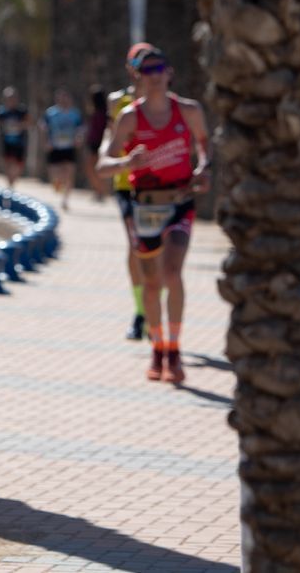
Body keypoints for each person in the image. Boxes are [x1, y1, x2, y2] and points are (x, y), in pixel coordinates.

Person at [97, 47, 211, 383]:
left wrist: (203, 169)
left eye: (160, 67)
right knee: (151, 282)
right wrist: (126, 163)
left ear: (169, 72)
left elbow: (205, 146)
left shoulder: (188, 111)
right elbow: (103, 163)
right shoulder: (130, 117)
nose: (155, 73)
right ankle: (157, 348)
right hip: (144, 206)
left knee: (173, 273)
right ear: (137, 76)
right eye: (147, 69)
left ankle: (174, 352)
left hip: (179, 203)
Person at [104, 42, 154, 340]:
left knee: (155, 250)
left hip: (160, 185)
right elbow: (110, 141)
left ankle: (153, 308)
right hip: (127, 183)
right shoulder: (117, 102)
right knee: (137, 247)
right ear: (130, 68)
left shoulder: (167, 103)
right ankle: (140, 312)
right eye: (139, 63)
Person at [40, 88, 82, 211]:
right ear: (57, 99)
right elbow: (43, 128)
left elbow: (81, 129)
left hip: (69, 147)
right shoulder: (51, 113)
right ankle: (58, 186)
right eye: (61, 97)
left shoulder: (75, 114)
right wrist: (45, 142)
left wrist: (79, 139)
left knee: (69, 173)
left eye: (66, 97)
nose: (63, 100)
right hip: (55, 147)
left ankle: (65, 200)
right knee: (55, 175)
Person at [0, 86, 30, 187]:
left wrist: (20, 125)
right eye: (8, 98)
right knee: (7, 163)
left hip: (20, 142)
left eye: (13, 98)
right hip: (6, 141)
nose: (11, 100)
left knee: (18, 165)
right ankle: (10, 183)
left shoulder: (22, 111)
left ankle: (13, 180)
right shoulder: (0, 111)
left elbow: (29, 123)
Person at [82, 85, 109, 201]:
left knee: (94, 168)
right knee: (92, 168)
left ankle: (100, 192)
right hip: (94, 142)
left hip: (98, 143)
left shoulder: (103, 113)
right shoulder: (97, 111)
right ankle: (99, 191)